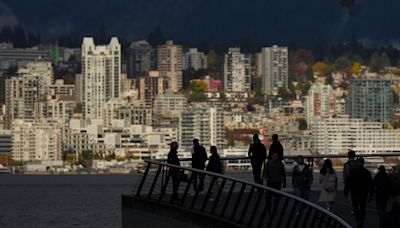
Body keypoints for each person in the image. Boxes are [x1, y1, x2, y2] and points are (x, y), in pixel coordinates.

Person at [344, 158, 374, 228]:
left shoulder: (353, 171)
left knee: (355, 207)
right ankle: (362, 220)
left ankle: (358, 220)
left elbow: (348, 182)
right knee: (363, 207)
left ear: (357, 163)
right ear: (363, 163)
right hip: (364, 192)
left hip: (354, 192)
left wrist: (346, 192)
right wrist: (371, 194)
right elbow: (370, 184)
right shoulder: (367, 172)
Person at [343, 150, 359, 214]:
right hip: (356, 181)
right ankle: (355, 207)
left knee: (349, 195)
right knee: (356, 195)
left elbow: (344, 174)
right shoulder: (357, 163)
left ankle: (352, 208)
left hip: (349, 181)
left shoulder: (346, 164)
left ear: (348, 156)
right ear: (354, 156)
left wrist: (345, 180)